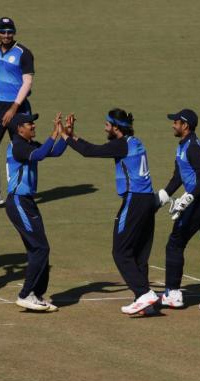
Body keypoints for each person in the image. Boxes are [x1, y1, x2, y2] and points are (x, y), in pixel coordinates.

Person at [62, 109, 159, 315]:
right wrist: (73, 135)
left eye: (107, 125)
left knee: (120, 251)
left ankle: (144, 294)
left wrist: (65, 136)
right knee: (139, 254)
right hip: (148, 200)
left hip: (134, 200)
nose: (105, 127)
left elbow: (91, 151)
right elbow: (97, 147)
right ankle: (145, 302)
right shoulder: (134, 141)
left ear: (116, 127)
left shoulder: (121, 144)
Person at [156, 109, 200, 312]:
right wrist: (162, 197)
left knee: (174, 244)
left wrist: (187, 198)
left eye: (176, 122)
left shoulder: (193, 148)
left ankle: (173, 294)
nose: (173, 125)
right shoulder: (184, 146)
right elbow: (178, 177)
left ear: (185, 126)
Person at [6, 112, 68, 312]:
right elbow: (40, 154)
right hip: (18, 202)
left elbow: (54, 152)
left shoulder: (27, 144)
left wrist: (66, 134)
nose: (33, 126)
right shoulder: (18, 146)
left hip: (27, 202)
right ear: (19, 129)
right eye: (29, 123)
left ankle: (36, 294)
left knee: (39, 249)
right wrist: (54, 133)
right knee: (40, 248)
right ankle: (25, 294)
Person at [0, 17, 35, 208]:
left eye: (9, 32)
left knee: (21, 150)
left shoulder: (23, 53)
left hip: (17, 108)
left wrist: (13, 108)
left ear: (14, 33)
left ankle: (23, 192)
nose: (6, 35)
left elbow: (27, 82)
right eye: (2, 31)